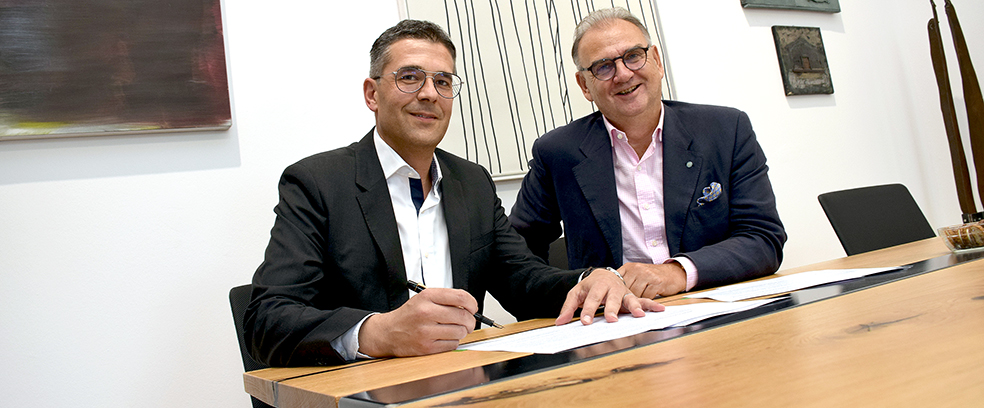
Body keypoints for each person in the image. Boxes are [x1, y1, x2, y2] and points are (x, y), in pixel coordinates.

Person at [245, 19, 663, 367]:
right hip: (365, 390)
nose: (429, 93)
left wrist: (590, 281)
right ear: (372, 94)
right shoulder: (318, 183)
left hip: (465, 381)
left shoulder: (471, 182)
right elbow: (266, 320)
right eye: (410, 77)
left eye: (443, 81)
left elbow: (523, 280)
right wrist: (378, 332)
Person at [510, 8, 786, 299]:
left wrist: (677, 273)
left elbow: (763, 239)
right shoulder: (557, 153)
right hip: (616, 317)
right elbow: (517, 255)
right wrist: (576, 287)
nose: (623, 74)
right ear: (584, 85)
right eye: (603, 67)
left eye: (633, 56)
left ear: (656, 60)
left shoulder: (726, 130)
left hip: (712, 303)